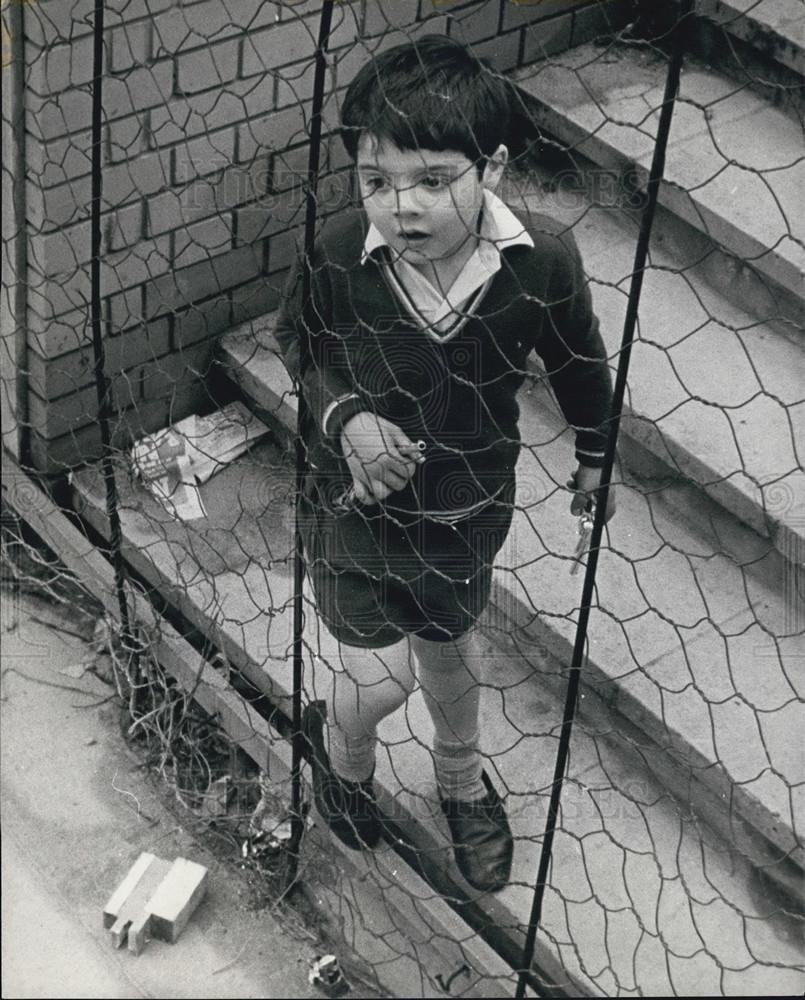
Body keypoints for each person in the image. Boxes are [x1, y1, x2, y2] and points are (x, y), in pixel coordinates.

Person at [274, 34, 615, 894]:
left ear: (490, 168)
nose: (402, 207)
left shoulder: (541, 263)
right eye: (376, 181)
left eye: (433, 180)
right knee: (378, 682)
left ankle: (460, 781)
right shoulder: (344, 251)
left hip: (465, 512)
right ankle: (343, 753)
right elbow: (299, 341)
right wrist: (345, 418)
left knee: (451, 647)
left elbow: (579, 365)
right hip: (355, 512)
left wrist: (594, 455)